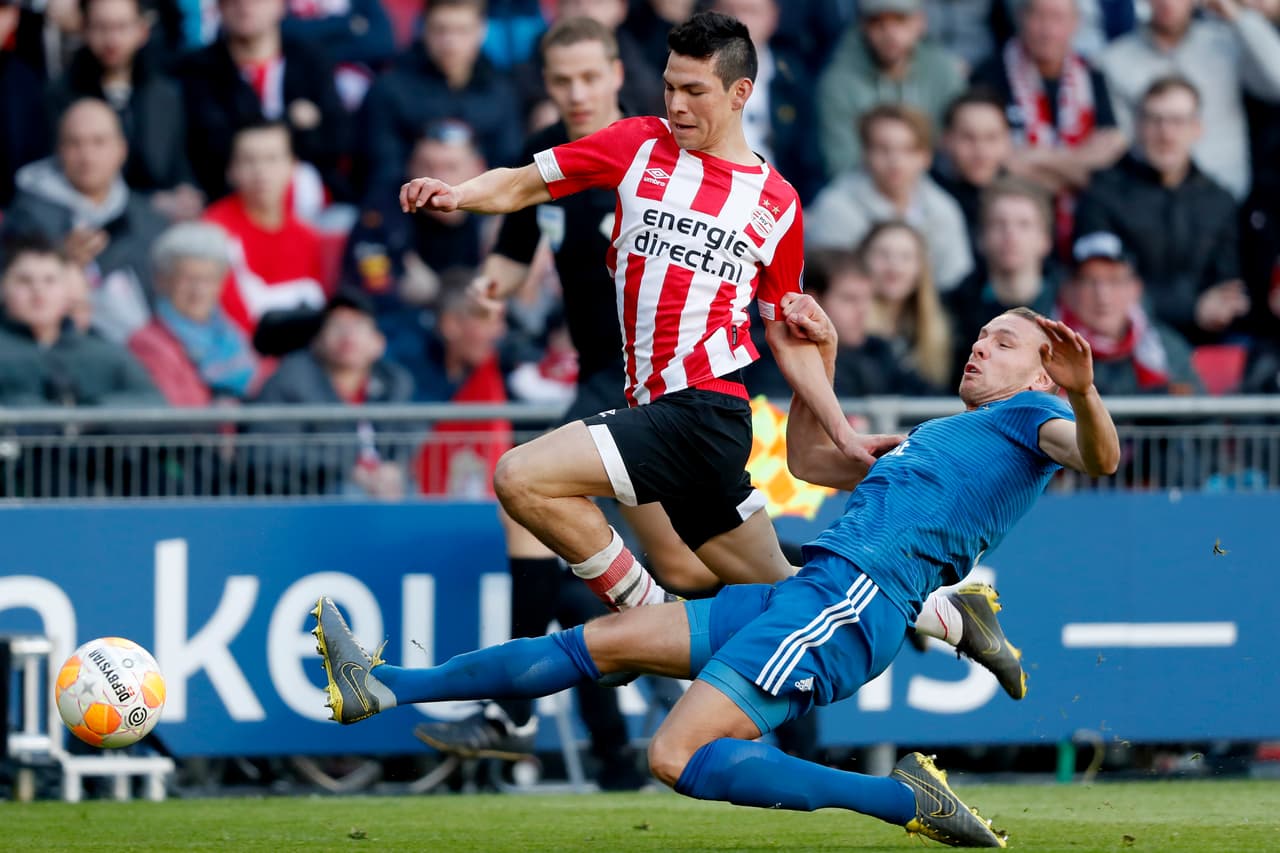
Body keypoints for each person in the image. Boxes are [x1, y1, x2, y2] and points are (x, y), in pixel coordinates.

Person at [311, 298, 1121, 848]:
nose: (981, 344)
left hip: (849, 602)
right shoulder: (946, 433)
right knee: (605, 640)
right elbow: (811, 458)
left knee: (672, 756)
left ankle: (904, 799)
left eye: (1004, 342)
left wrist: (1086, 397)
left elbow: (1100, 455)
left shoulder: (1037, 417)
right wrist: (817, 363)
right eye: (981, 334)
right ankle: (381, 686)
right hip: (807, 592)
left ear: (1047, 373)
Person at [1072, 76, 1245, 344]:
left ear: (1197, 128)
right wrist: (1191, 309)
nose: (1166, 134)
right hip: (1123, 341)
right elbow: (1101, 289)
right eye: (1155, 120)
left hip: (1209, 340)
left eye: (1178, 121)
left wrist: (1219, 307)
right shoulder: (1102, 194)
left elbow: (1228, 285)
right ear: (1138, 126)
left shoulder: (1220, 200)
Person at [2, 98, 168, 345]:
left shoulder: (148, 219)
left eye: (98, 142)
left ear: (121, 150)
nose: (86, 155)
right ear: (59, 150)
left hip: (148, 351)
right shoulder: (26, 217)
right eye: (74, 143)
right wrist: (60, 260)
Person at [1098, 0, 1280, 201]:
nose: (1168, 3)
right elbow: (1123, 140)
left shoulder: (1226, 43)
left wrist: (1237, 14)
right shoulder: (1115, 60)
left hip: (1227, 198)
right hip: (1151, 202)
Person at [175, 0, 349, 202]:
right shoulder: (198, 70)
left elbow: (338, 137)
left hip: (315, 199)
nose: (245, 6)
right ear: (219, 7)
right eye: (233, 1)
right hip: (228, 198)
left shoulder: (310, 59)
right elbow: (211, 147)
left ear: (281, 5)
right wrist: (292, 122)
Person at [47, 0, 202, 220]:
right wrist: (148, 203)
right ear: (84, 29)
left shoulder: (164, 94)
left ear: (142, 31)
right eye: (101, 27)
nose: (112, 40)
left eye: (122, 27)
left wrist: (187, 192)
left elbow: (178, 164)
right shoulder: (60, 96)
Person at [248, 290, 413, 498]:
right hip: (310, 498)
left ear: (378, 343)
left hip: (381, 489)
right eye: (337, 325)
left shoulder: (394, 381)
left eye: (359, 325)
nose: (348, 335)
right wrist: (345, 470)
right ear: (317, 341)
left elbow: (410, 438)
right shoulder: (291, 379)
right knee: (349, 494)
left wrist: (394, 467)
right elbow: (268, 452)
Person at [358, 0, 523, 202]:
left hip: (480, 210)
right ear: (424, 29)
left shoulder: (500, 90)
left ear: (481, 31)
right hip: (407, 210)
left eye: (462, 30)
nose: (450, 42)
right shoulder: (389, 89)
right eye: (440, 30)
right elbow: (380, 171)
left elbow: (509, 165)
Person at [807, 104, 974, 293]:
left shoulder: (944, 210)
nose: (895, 160)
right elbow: (829, 290)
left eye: (908, 150)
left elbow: (955, 284)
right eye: (883, 149)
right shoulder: (834, 210)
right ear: (865, 153)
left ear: (926, 157)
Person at [0, 235, 163, 408]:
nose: (38, 291)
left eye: (50, 280)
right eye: (24, 281)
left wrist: (90, 413)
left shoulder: (105, 353)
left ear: (66, 290)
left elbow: (154, 406)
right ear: (3, 288)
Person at [203, 120, 328, 337]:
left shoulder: (308, 237)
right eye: (249, 161)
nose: (261, 171)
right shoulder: (212, 232)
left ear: (293, 166)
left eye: (272, 159)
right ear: (231, 170)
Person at [815, 0, 965, 178]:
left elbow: (959, 145)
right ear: (862, 26)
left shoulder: (943, 69)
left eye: (900, 20)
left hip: (936, 183)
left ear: (920, 22)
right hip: (864, 190)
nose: (890, 32)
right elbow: (841, 162)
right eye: (878, 22)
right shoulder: (838, 81)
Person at [127, 222, 264, 406]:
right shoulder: (147, 344)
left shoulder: (232, 333)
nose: (198, 291)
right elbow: (179, 414)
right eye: (188, 279)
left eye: (209, 279)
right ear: (162, 281)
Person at [1056, 231, 1201, 396]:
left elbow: (1201, 412)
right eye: (1089, 282)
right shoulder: (1046, 347)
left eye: (1115, 281)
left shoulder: (1166, 347)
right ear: (1068, 290)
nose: (1103, 296)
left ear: (1136, 289)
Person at [948, 177, 1059, 372]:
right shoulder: (952, 313)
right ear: (981, 238)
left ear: (1045, 239)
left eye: (1023, 224)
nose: (1010, 235)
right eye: (999, 224)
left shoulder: (1069, 307)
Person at [858, 221, 953, 390]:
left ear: (920, 268)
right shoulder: (848, 330)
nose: (894, 265)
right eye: (883, 254)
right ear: (863, 261)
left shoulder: (935, 330)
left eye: (906, 257)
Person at [933, 89, 1015, 259]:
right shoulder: (926, 197)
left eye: (991, 137)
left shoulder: (1023, 199)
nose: (981, 151)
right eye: (968, 137)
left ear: (1007, 141)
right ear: (946, 140)